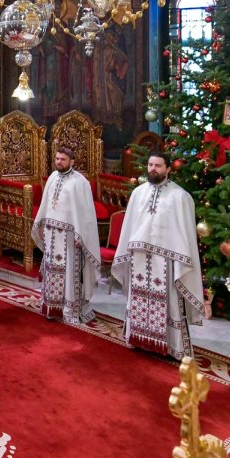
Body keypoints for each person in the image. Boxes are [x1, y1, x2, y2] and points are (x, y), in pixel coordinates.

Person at [112, 150, 203, 358]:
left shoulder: (180, 197)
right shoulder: (138, 193)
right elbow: (129, 225)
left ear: (168, 169)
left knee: (168, 303)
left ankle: (170, 346)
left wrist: (179, 258)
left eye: (158, 165)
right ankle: (139, 338)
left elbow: (185, 234)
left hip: (166, 261)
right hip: (139, 257)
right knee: (138, 299)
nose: (153, 169)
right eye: (150, 165)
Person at [31, 146, 103, 326]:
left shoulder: (80, 182)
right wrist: (41, 225)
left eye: (63, 159)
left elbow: (86, 213)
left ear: (72, 161)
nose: (59, 162)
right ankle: (52, 307)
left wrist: (81, 235)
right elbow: (45, 204)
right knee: (52, 270)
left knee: (70, 273)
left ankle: (70, 309)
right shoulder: (52, 177)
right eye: (57, 159)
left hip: (70, 237)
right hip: (51, 234)